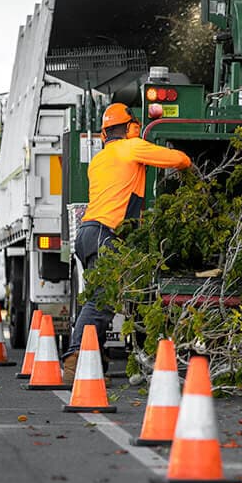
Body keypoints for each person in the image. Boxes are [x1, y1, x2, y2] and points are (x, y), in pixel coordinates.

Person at [62, 103, 192, 383]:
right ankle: (74, 359)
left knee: (103, 298)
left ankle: (92, 360)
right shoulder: (132, 147)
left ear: (104, 134)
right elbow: (178, 160)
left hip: (87, 234)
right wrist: (189, 163)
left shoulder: (100, 159)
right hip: (105, 235)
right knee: (101, 301)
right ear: (131, 127)